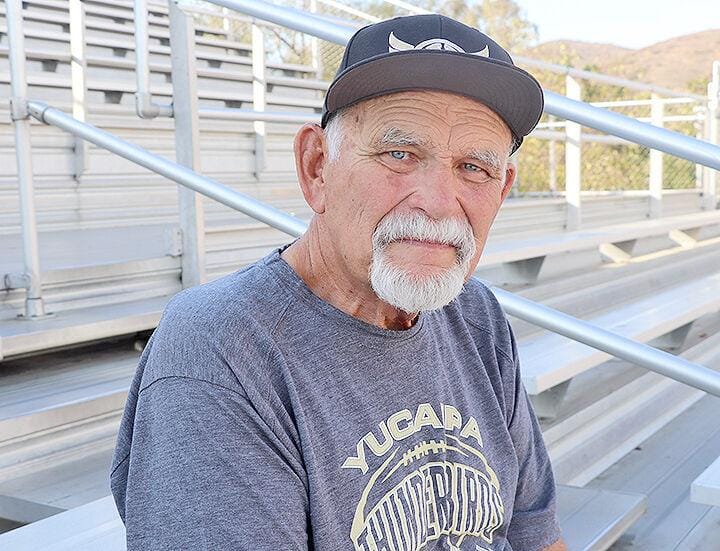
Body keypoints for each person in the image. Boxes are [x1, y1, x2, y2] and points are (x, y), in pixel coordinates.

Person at [110, 13, 566, 551]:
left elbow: (535, 534)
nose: (440, 204)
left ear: (503, 188)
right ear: (317, 166)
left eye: (473, 168)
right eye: (399, 154)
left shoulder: (476, 315)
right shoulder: (221, 349)